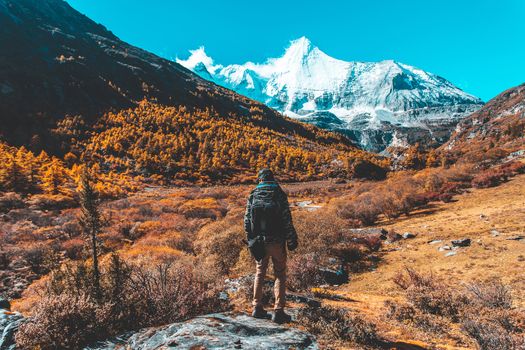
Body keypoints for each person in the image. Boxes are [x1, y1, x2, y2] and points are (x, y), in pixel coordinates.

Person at [244, 168, 298, 324]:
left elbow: (247, 220)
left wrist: (251, 240)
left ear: (259, 179)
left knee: (259, 272)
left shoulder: (253, 194)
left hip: (259, 242)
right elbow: (287, 219)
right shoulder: (279, 194)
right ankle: (278, 311)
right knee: (280, 274)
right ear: (272, 179)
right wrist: (291, 239)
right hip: (277, 241)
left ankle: (256, 308)